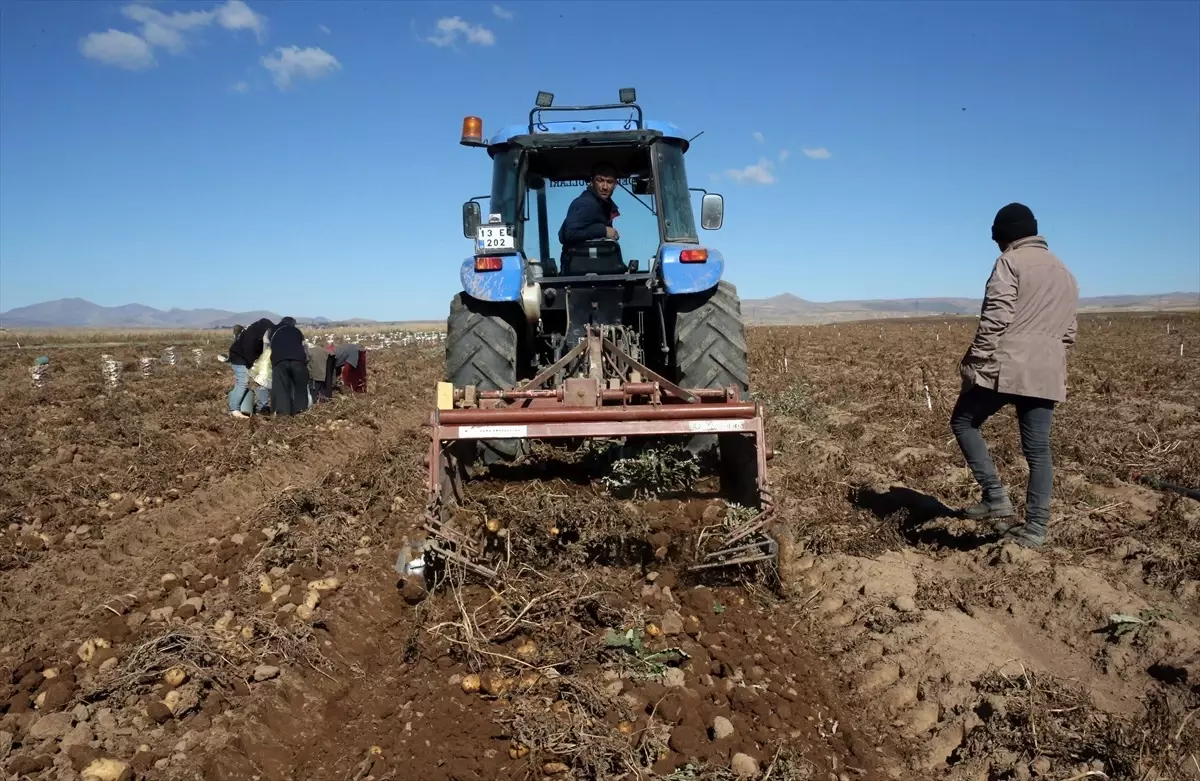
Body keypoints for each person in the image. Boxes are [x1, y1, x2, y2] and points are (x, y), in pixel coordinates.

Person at [951, 203, 1078, 548]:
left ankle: (995, 496)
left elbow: (996, 317)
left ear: (1004, 236)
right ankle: (1036, 528)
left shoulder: (1011, 262)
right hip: (1048, 369)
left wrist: (973, 360)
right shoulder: (1065, 272)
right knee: (1038, 450)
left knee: (964, 422)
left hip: (1008, 365)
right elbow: (1069, 332)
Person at [558, 163, 621, 247]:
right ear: (591, 182)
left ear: (615, 185)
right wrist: (603, 231)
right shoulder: (585, 203)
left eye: (609, 182)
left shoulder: (604, 205)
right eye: (600, 180)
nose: (605, 187)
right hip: (580, 259)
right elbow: (569, 234)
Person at [227, 318, 274, 418]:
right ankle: (233, 410)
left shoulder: (258, 333)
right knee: (242, 382)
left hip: (245, 358)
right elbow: (249, 353)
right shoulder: (252, 336)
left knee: (246, 383)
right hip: (239, 358)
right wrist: (252, 366)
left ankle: (240, 406)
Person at [268, 317, 310, 416]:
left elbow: (267, 346)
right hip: (298, 361)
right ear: (293, 324)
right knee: (300, 387)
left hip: (280, 361)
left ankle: (283, 414)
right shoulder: (297, 331)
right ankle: (300, 412)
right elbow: (306, 350)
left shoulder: (273, 332)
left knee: (281, 387)